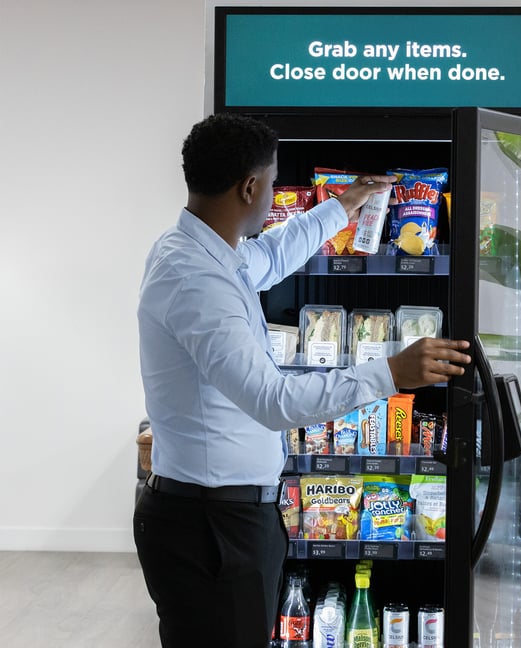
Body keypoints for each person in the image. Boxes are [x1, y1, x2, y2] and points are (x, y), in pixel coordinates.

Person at [134, 112, 471, 648]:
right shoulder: (195, 279)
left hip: (225, 515)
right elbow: (272, 400)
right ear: (249, 187)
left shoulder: (209, 252)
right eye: (269, 184)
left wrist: (342, 205)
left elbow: (269, 254)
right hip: (211, 526)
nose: (271, 198)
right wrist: (391, 372)